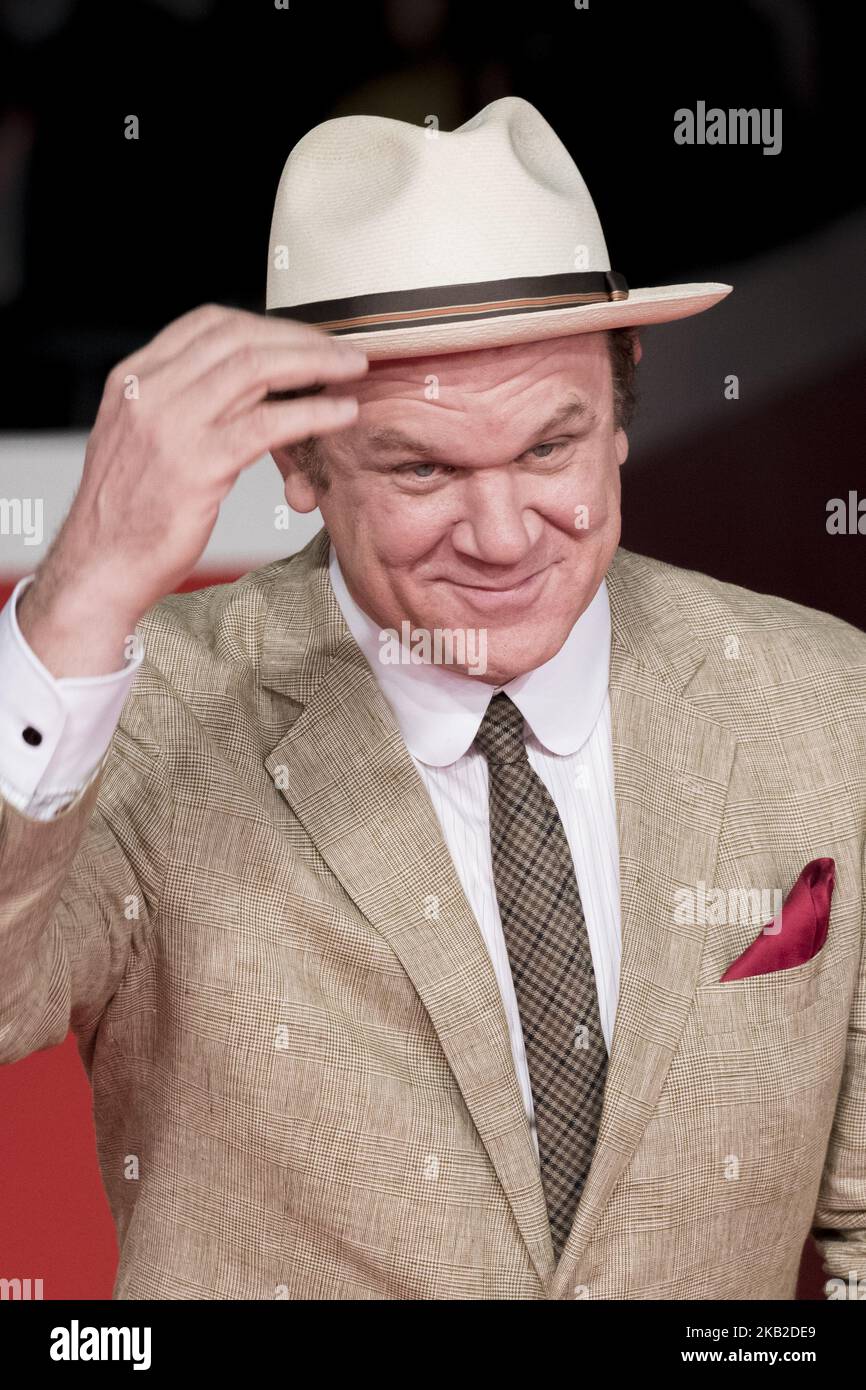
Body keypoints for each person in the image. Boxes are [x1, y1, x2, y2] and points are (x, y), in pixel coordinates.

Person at [1, 97, 863, 1301]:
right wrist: (80, 595)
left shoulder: (827, 707)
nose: (505, 534)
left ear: (622, 407)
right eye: (423, 467)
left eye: (548, 449)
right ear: (297, 464)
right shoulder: (146, 719)